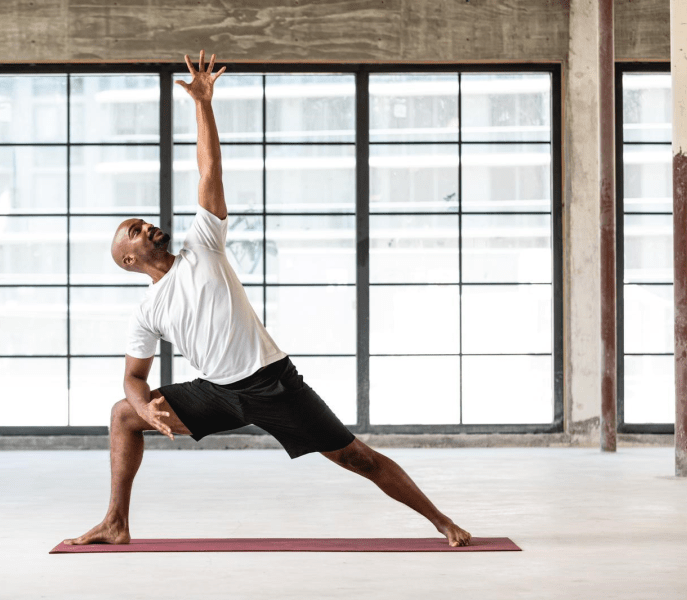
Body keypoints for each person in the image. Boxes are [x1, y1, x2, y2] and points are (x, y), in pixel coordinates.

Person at [64, 51, 472, 548]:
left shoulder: (202, 243)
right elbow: (133, 377)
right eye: (136, 230)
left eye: (144, 221)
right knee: (122, 414)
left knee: (355, 457)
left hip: (271, 382)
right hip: (216, 392)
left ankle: (441, 521)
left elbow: (208, 169)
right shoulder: (148, 310)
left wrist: (203, 104)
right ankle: (116, 522)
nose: (148, 225)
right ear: (128, 259)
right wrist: (144, 409)